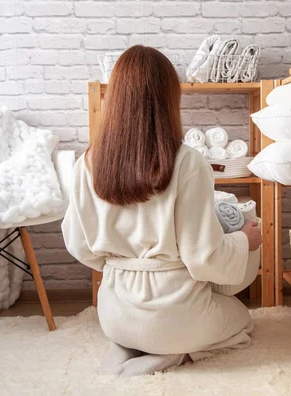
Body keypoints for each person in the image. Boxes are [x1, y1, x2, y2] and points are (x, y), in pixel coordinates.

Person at [61, 45, 262, 377]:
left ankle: (130, 344)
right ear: (170, 98)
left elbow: (79, 245)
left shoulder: (87, 163)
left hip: (114, 312)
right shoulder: (188, 163)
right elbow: (203, 259)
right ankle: (171, 355)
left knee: (148, 323)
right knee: (242, 322)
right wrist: (244, 239)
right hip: (175, 313)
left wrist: (121, 264)